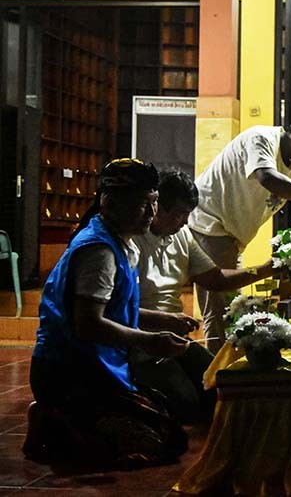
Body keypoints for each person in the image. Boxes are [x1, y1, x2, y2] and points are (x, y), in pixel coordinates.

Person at [25, 159, 190, 467]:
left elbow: (116, 308)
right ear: (110, 203)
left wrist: (163, 320)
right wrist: (149, 341)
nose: (151, 213)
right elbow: (88, 325)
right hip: (68, 370)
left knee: (170, 428)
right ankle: (51, 417)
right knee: (150, 445)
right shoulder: (98, 251)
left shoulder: (123, 243)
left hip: (100, 364)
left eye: (154, 204)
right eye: (142, 204)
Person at [188, 112, 291, 353]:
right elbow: (267, 177)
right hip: (210, 224)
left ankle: (227, 369)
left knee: (231, 309)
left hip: (232, 236)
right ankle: (215, 379)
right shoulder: (261, 138)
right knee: (220, 312)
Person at [132, 169, 275, 422]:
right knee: (189, 405)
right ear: (156, 207)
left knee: (219, 386)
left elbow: (214, 279)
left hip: (174, 337)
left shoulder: (182, 235)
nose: (184, 222)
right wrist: (164, 321)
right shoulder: (131, 238)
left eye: (188, 214)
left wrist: (263, 270)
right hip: (138, 340)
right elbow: (115, 309)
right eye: (179, 214)